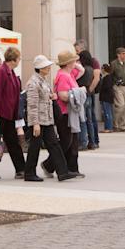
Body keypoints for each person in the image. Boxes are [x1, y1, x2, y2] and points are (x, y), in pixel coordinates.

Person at [23, 55, 76, 182]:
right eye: (46, 66)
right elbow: (32, 105)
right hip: (38, 121)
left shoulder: (43, 81)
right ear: (40, 68)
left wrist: (51, 96)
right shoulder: (33, 83)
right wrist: (35, 123)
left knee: (54, 144)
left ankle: (62, 172)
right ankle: (29, 173)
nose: (48, 68)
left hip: (47, 119)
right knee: (34, 147)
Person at [0, 47, 26, 180]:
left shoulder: (11, 72)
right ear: (14, 59)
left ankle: (21, 169)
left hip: (8, 114)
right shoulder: (2, 72)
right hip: (0, 113)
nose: (19, 60)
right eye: (19, 58)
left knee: (13, 142)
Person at [43, 51, 82, 179]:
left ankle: (70, 167)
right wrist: (78, 94)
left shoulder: (68, 74)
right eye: (73, 61)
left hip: (69, 112)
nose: (76, 63)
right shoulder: (64, 76)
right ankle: (49, 164)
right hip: (64, 112)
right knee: (66, 141)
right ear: (68, 63)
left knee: (72, 141)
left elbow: (82, 70)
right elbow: (63, 95)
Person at [74, 41, 101, 149]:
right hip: (89, 93)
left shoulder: (87, 66)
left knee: (85, 118)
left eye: (77, 51)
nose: (77, 53)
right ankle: (93, 142)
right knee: (90, 118)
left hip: (86, 93)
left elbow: (97, 78)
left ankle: (89, 141)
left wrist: (89, 90)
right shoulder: (89, 66)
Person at [99, 55, 117, 132]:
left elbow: (106, 87)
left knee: (107, 112)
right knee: (107, 112)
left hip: (106, 97)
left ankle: (108, 127)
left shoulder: (107, 78)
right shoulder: (107, 77)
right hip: (106, 97)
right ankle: (107, 127)